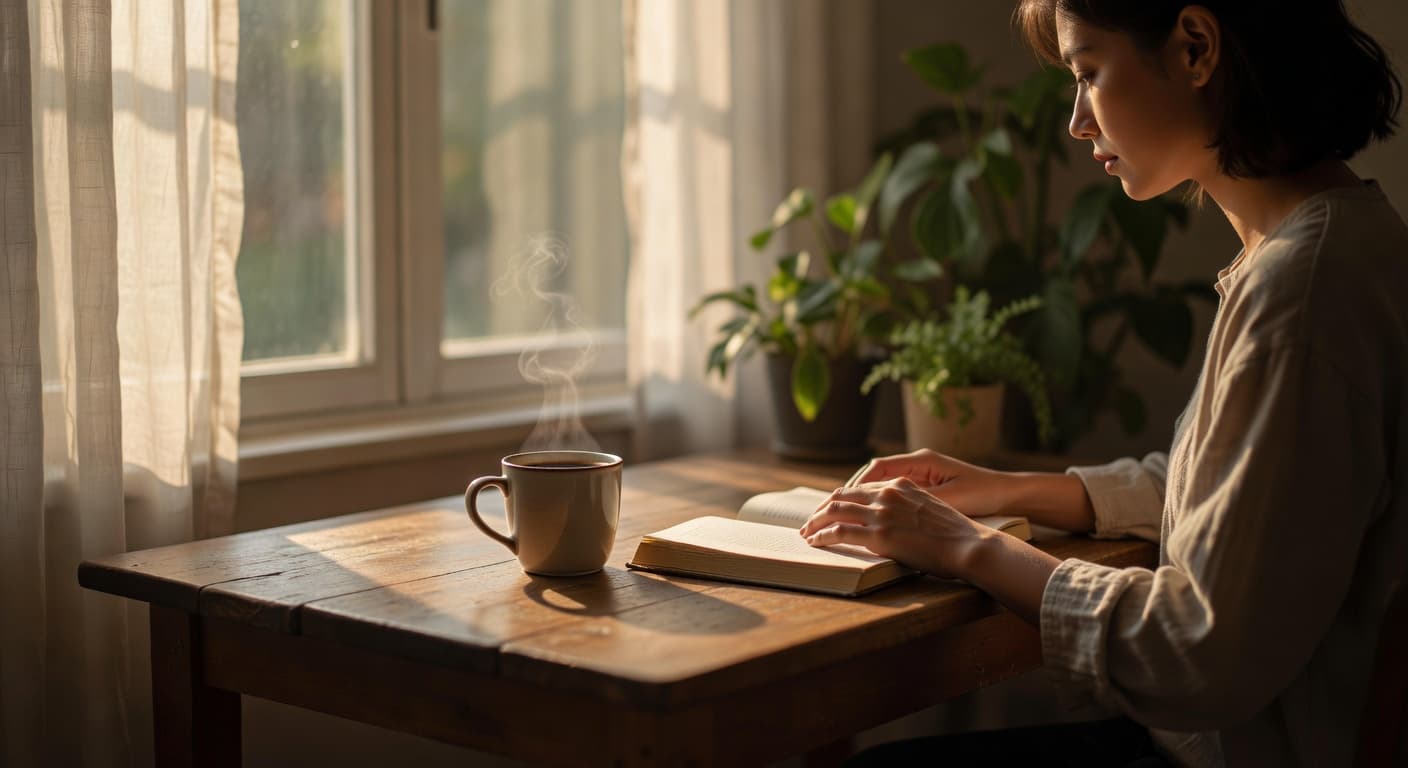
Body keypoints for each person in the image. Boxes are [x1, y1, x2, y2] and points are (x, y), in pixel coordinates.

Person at [800, 1, 1407, 765]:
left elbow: (1197, 652)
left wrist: (964, 544)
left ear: (1195, 48)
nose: (1077, 122)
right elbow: (1255, 499)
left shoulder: (1303, 292)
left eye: (1088, 72)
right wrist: (1009, 490)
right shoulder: (1348, 244)